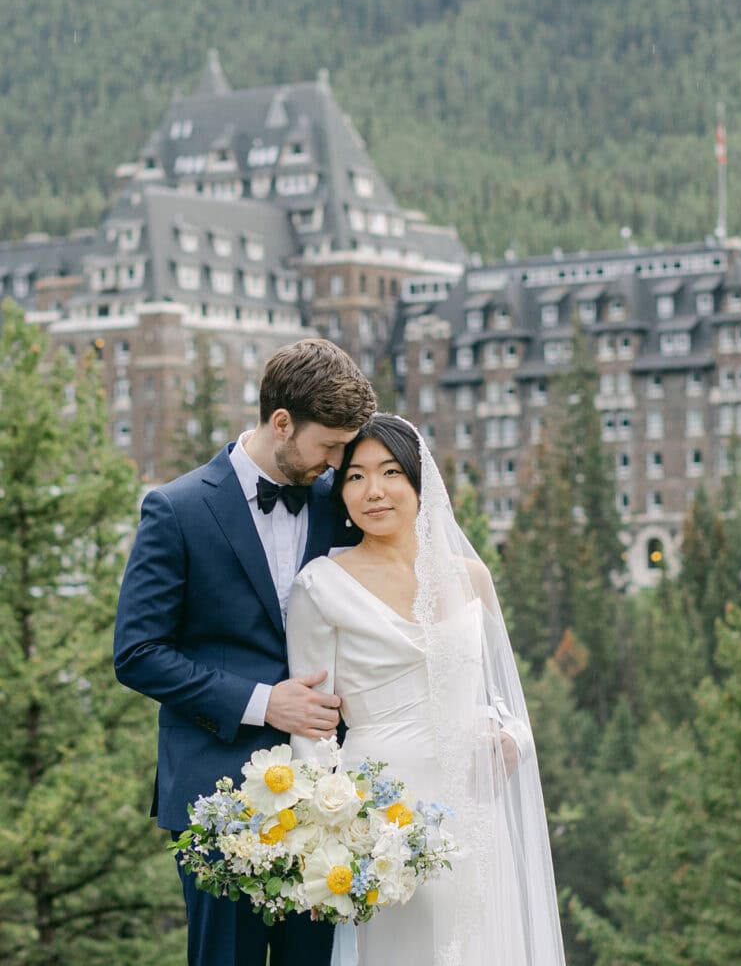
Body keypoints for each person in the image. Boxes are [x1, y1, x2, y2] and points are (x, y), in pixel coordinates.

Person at [114, 338, 377, 966]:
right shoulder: (175, 509)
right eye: (331, 445)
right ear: (281, 423)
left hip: (327, 796)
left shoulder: (335, 501)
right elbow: (138, 651)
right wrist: (264, 704)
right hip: (215, 792)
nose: (340, 461)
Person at [287, 415, 566, 966]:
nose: (374, 491)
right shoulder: (320, 584)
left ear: (420, 483)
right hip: (382, 817)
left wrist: (512, 738)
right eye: (356, 476)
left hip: (471, 806)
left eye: (390, 472)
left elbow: (502, 697)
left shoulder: (471, 577)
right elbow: (313, 730)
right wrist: (322, 845)